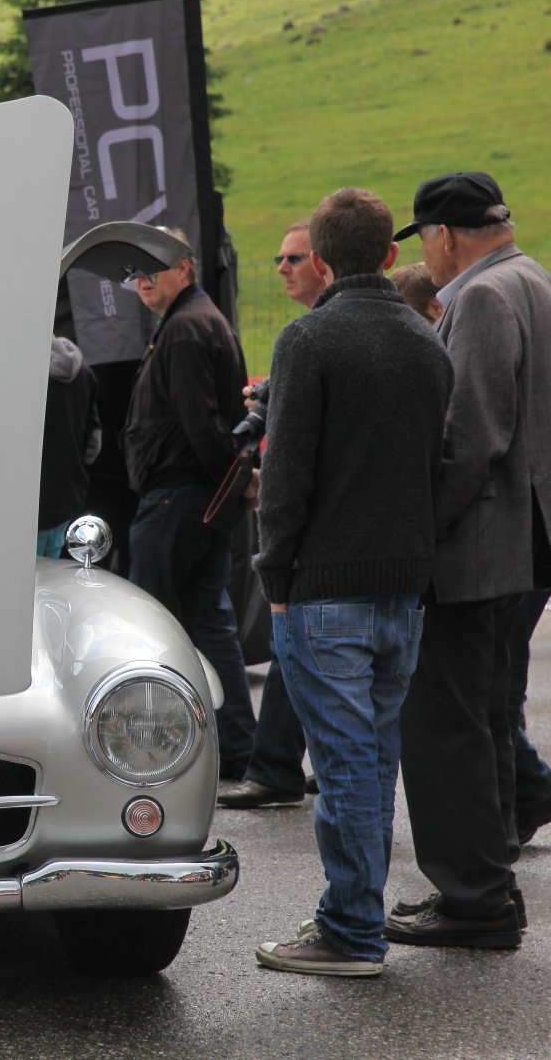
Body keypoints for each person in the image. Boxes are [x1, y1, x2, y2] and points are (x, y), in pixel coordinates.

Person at [250, 188, 451, 977]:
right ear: (392, 254)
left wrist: (274, 574)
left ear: (323, 259)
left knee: (344, 767)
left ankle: (352, 929)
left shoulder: (309, 338)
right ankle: (353, 916)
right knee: (371, 760)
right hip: (404, 587)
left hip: (324, 586)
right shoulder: (426, 340)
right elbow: (438, 466)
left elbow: (286, 473)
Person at [385, 171, 551, 948]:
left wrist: (419, 534)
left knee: (446, 727)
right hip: (517, 542)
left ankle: (473, 900)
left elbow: (472, 434)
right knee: (482, 719)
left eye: (424, 241)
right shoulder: (532, 277)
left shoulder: (482, 296)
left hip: (477, 546)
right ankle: (488, 891)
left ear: (443, 235)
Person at [122, 228, 254, 777]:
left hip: (178, 499)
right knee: (207, 623)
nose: (142, 279)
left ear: (185, 267)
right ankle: (238, 749)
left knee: (155, 630)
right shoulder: (191, 321)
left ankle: (159, 754)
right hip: (193, 498)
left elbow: (202, 424)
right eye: (134, 271)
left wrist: (233, 480)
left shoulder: (185, 329)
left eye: (153, 267)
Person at [220, 220, 330, 809]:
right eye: (278, 259)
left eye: (294, 258)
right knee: (298, 651)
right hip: (314, 523)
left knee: (301, 644)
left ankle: (278, 764)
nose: (282, 268)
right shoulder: (308, 331)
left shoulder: (316, 334)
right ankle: (281, 762)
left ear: (324, 262)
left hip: (320, 527)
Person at [36, 334, 100, 557]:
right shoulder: (85, 373)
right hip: (65, 501)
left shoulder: (20, 374)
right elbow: (93, 445)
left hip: (24, 506)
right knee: (50, 572)